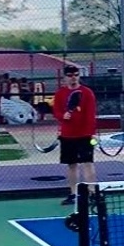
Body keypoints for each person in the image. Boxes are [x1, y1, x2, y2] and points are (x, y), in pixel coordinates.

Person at [52, 64, 98, 205]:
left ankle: (92, 193)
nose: (74, 78)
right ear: (65, 77)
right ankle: (73, 194)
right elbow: (56, 111)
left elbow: (91, 115)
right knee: (72, 165)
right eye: (70, 76)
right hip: (67, 135)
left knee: (88, 163)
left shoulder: (87, 92)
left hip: (84, 135)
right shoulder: (60, 93)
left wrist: (92, 134)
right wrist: (62, 116)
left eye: (76, 75)